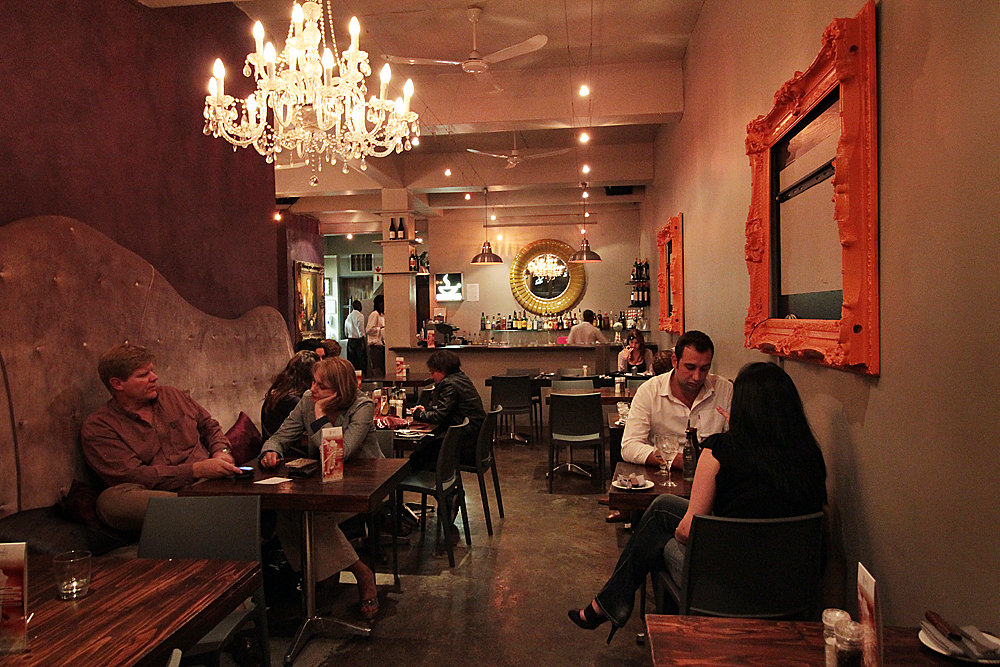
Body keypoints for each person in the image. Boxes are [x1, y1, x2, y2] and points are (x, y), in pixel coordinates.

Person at [569, 362, 828, 641]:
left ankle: (660, 630)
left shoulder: (720, 450)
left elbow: (686, 532)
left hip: (728, 586)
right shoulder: (810, 454)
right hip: (793, 584)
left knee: (655, 541)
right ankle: (611, 603)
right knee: (662, 507)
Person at [258, 357, 383, 620]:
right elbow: (279, 437)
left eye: (321, 386)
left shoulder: (362, 406)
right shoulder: (307, 399)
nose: (312, 389)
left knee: (313, 517)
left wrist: (319, 416)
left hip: (363, 486)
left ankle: (361, 575)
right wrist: (271, 451)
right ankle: (324, 576)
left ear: (341, 390)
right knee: (286, 513)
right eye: (313, 382)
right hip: (325, 483)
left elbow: (340, 453)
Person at [81, 343, 241, 532]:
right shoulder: (100, 426)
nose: (154, 377)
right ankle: (203, 512)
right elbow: (132, 475)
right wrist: (195, 470)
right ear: (117, 384)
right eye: (143, 375)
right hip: (157, 493)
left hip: (207, 482)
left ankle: (203, 512)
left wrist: (221, 452)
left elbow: (209, 426)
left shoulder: (172, 395)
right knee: (111, 501)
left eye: (152, 371)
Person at [606, 331, 733, 524]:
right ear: (675, 361)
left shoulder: (724, 390)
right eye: (690, 367)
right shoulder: (650, 391)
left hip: (715, 486)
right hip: (664, 483)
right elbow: (629, 446)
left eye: (704, 369)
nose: (697, 376)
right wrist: (678, 460)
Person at [409, 350, 486, 470]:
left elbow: (439, 416)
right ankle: (445, 481)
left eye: (433, 372)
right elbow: (449, 408)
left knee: (418, 456)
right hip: (476, 441)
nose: (431, 376)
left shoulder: (449, 384)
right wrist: (427, 410)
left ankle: (436, 481)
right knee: (427, 448)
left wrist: (417, 414)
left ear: (443, 370)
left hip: (465, 445)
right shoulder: (461, 378)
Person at [260, 350, 319, 440]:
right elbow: (312, 434)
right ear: (310, 376)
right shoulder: (292, 401)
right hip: (282, 447)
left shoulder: (281, 391)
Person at [366, 295, 385, 377]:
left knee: (382, 369)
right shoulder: (375, 314)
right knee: (377, 369)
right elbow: (368, 330)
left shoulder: (382, 315)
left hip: (381, 345)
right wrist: (379, 329)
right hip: (375, 346)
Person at [345, 299, 366, 372]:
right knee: (361, 361)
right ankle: (361, 376)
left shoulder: (349, 316)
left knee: (352, 361)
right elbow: (361, 329)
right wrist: (363, 339)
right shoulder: (360, 315)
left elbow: (346, 331)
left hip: (350, 340)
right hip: (358, 340)